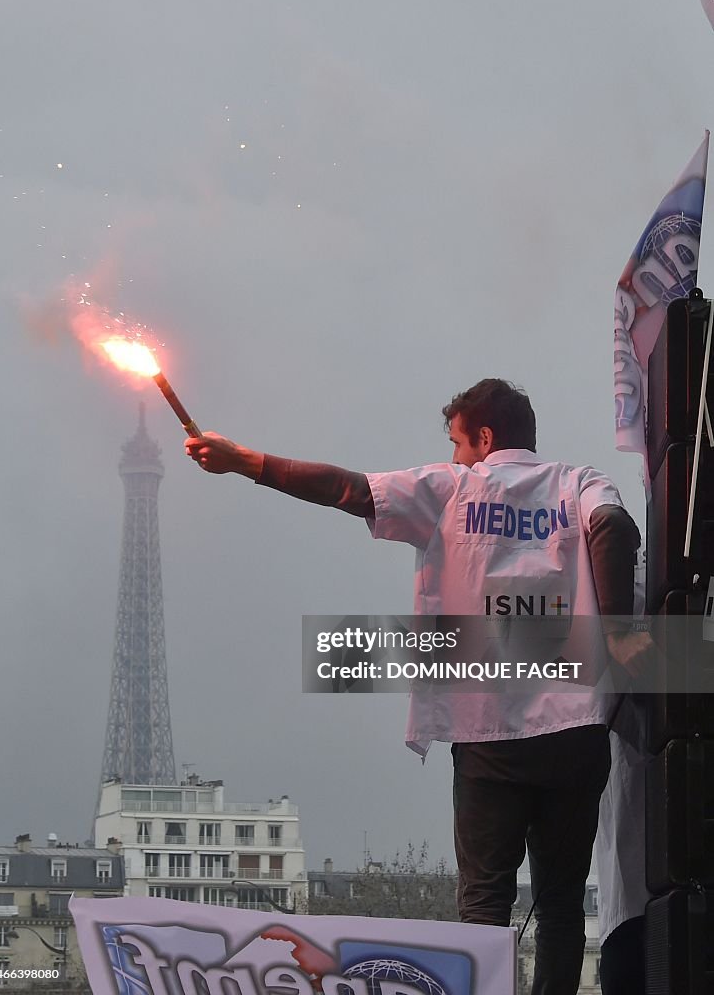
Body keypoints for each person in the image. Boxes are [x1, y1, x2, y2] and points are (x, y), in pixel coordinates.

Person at [185, 378, 644, 995]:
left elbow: (346, 489)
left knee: (484, 907)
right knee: (561, 906)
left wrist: (245, 463)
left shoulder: (450, 490)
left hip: (488, 733)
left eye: (458, 442)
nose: (454, 455)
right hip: (575, 729)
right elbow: (614, 529)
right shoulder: (580, 482)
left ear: (484, 438)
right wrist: (614, 636)